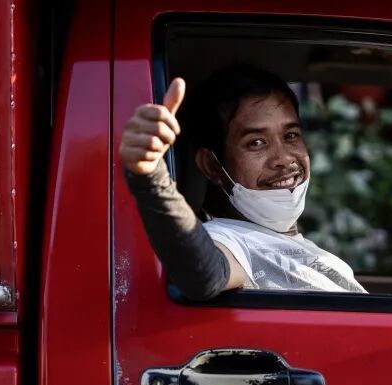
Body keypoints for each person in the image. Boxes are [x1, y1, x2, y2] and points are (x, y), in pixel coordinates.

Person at [120, 65, 365, 300]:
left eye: (291, 135)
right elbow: (204, 273)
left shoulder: (312, 251)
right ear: (211, 166)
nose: (284, 159)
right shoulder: (229, 239)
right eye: (256, 143)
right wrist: (152, 178)